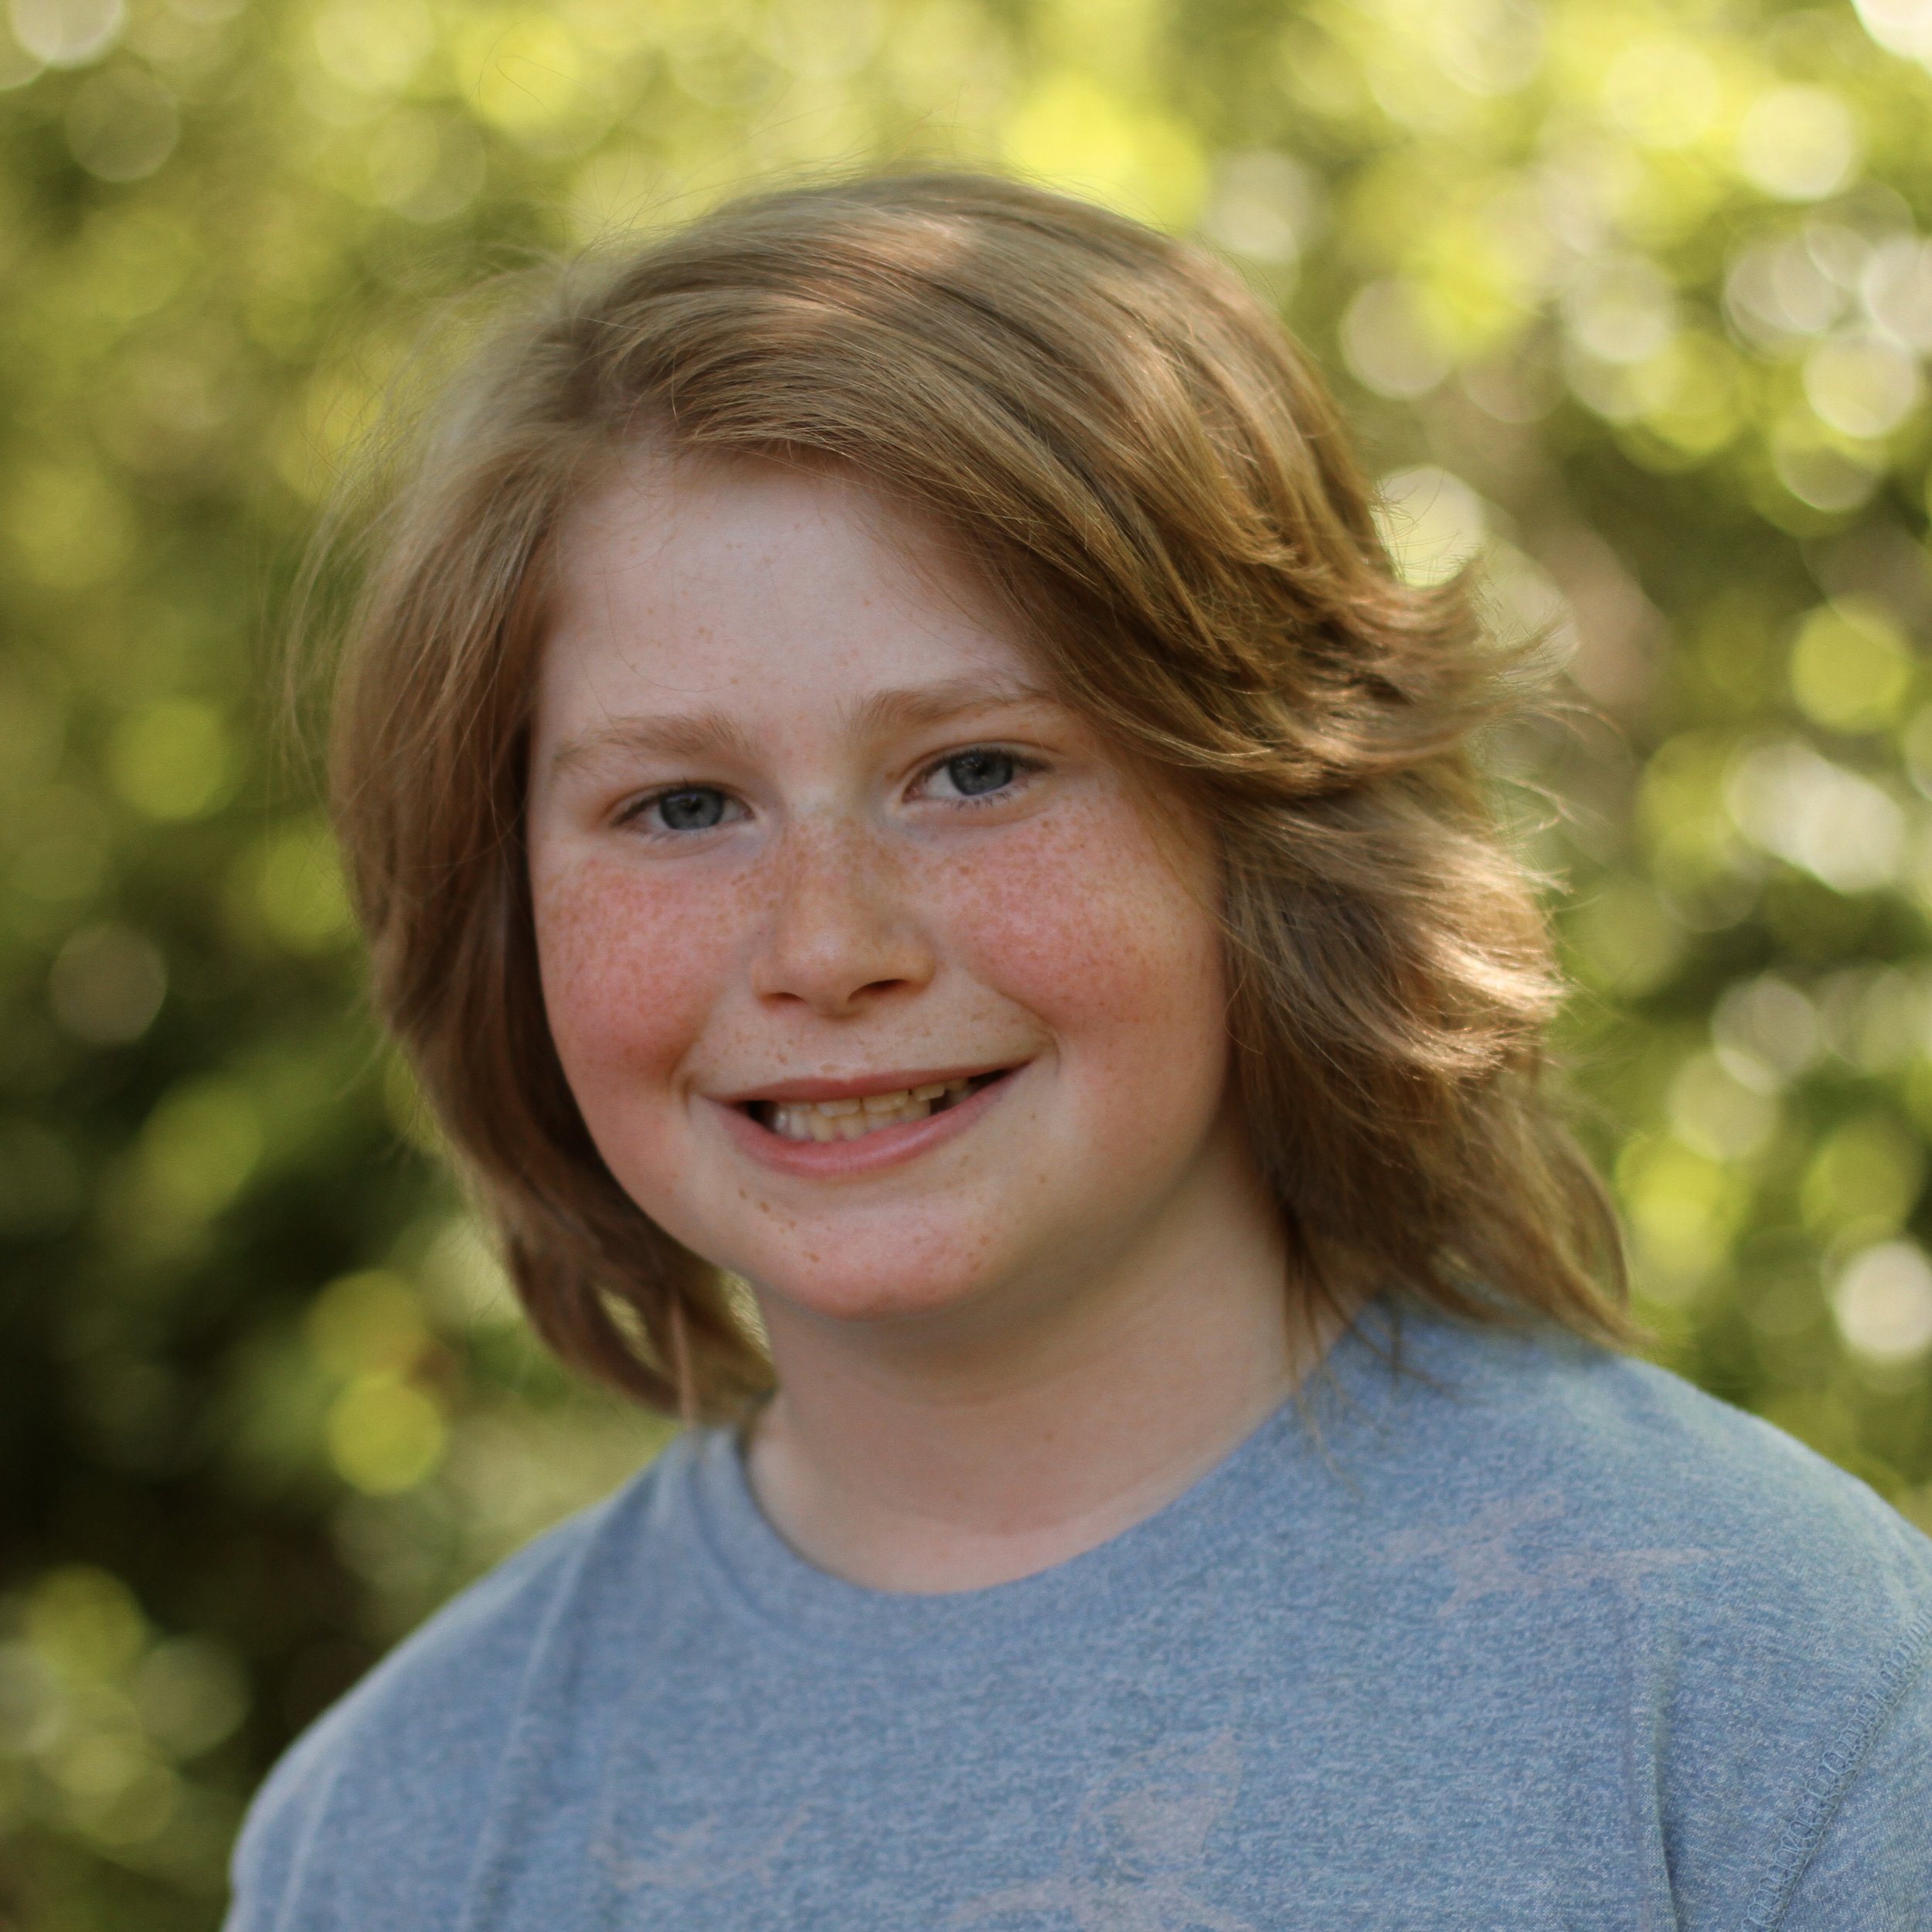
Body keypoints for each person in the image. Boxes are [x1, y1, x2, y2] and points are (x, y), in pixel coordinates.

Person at [226, 173, 1932, 1930]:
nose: (829, 945)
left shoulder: (1766, 1689)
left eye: (974, 769)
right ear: (505, 906)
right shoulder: (394, 1833)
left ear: (1266, 820)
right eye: (679, 803)